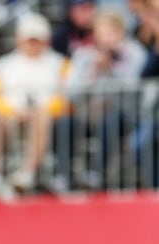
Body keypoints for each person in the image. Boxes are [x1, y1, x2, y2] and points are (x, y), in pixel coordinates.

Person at [0, 12, 68, 196]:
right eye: (29, 40)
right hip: (10, 116)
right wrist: (11, 110)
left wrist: (41, 110)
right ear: (19, 40)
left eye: (37, 40)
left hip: (45, 118)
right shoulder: (5, 65)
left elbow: (67, 97)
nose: (33, 45)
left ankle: (27, 174)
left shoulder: (60, 64)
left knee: (40, 117)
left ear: (46, 40)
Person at [56, 7, 148, 190]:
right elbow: (70, 91)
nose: (107, 38)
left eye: (112, 32)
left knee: (112, 121)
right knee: (63, 123)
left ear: (121, 32)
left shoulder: (134, 53)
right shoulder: (83, 55)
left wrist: (111, 68)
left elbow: (136, 89)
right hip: (90, 113)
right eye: (103, 32)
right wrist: (92, 74)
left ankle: (94, 174)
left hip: (124, 115)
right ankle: (62, 177)